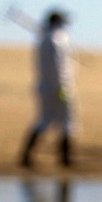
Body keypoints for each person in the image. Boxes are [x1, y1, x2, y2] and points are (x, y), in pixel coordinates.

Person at [19, 9, 75, 169]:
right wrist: (63, 87)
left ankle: (28, 155)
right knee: (66, 120)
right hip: (59, 87)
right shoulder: (58, 39)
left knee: (45, 120)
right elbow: (60, 67)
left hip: (44, 86)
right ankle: (65, 158)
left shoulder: (44, 39)